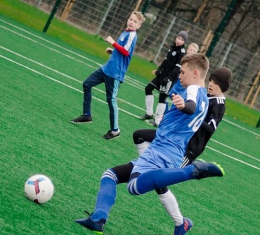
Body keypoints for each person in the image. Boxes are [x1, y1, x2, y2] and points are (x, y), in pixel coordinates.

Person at [75, 54, 224, 235]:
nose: (179, 75)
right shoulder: (205, 96)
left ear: (195, 73)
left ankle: (191, 172)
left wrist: (183, 105)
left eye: (183, 72)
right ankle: (98, 219)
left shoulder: (194, 90)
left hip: (163, 149)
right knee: (110, 175)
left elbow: (191, 106)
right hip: (171, 150)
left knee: (134, 186)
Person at [134, 67, 233, 166]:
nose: (211, 84)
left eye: (216, 83)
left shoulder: (219, 104)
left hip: (189, 149)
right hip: (175, 137)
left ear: (223, 86)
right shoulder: (204, 94)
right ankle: (146, 165)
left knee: (166, 174)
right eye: (210, 80)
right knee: (139, 135)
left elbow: (210, 128)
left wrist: (197, 116)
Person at [70, 11, 145, 140]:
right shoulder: (126, 32)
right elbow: (121, 50)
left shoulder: (132, 35)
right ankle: (86, 115)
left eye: (135, 21)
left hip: (115, 74)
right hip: (106, 69)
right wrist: (114, 51)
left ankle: (115, 130)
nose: (131, 22)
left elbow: (126, 52)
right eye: (130, 19)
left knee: (111, 100)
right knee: (87, 84)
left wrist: (113, 43)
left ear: (139, 26)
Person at [140, 31, 188, 127]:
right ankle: (149, 113)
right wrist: (159, 70)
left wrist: (169, 78)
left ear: (184, 42)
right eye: (178, 38)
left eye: (182, 40)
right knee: (148, 88)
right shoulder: (172, 47)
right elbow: (166, 61)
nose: (179, 40)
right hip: (162, 75)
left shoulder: (181, 52)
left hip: (169, 78)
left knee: (162, 97)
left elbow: (177, 68)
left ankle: (157, 121)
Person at [146, 42, 200, 127]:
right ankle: (161, 118)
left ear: (196, 53)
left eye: (194, 51)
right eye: (190, 49)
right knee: (164, 97)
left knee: (176, 103)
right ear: (187, 49)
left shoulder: (195, 64)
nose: (191, 51)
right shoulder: (182, 58)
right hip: (175, 82)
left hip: (183, 86)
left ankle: (169, 121)